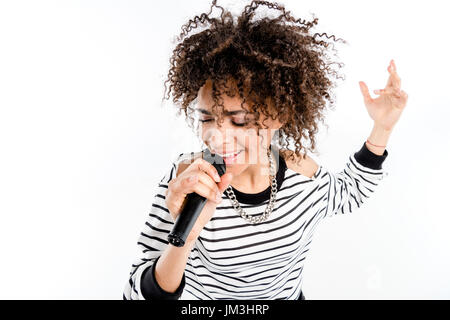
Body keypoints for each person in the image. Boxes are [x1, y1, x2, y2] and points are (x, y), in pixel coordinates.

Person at [123, 0, 408, 300]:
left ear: (279, 116)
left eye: (240, 121)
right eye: (206, 118)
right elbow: (135, 293)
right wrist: (185, 240)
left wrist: (383, 128)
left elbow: (351, 192)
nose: (217, 138)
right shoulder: (188, 181)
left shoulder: (302, 174)